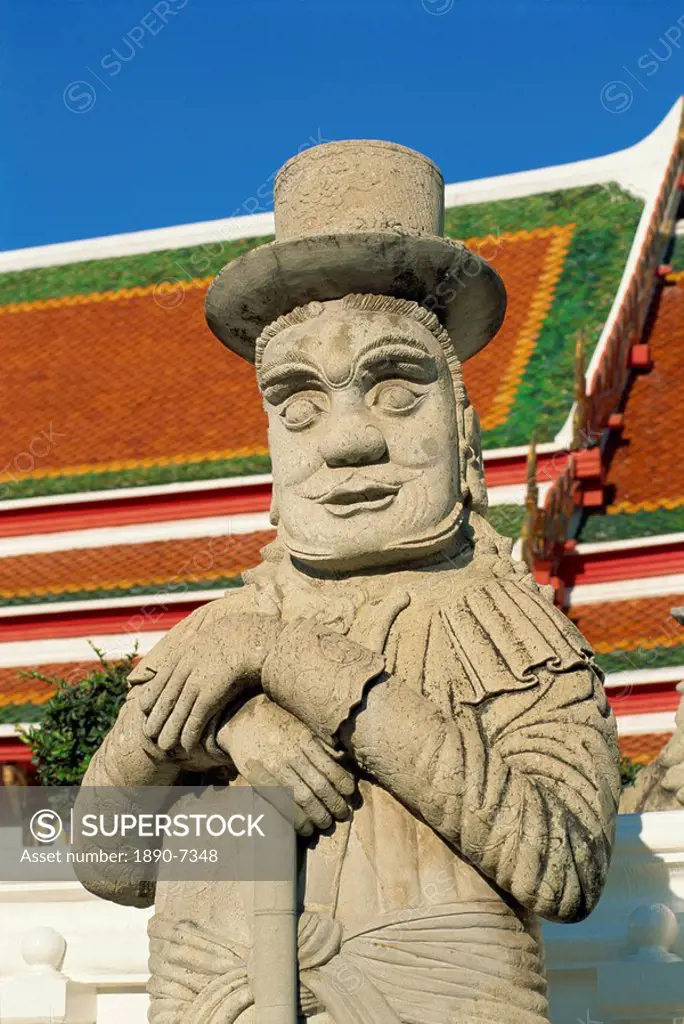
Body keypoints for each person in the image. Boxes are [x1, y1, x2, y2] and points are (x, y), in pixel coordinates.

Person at [79, 141, 620, 1024]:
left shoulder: (517, 633)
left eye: (396, 393)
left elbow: (559, 867)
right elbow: (106, 856)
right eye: (297, 406)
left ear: (462, 423)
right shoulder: (213, 636)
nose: (345, 443)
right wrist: (225, 731)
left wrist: (290, 662)